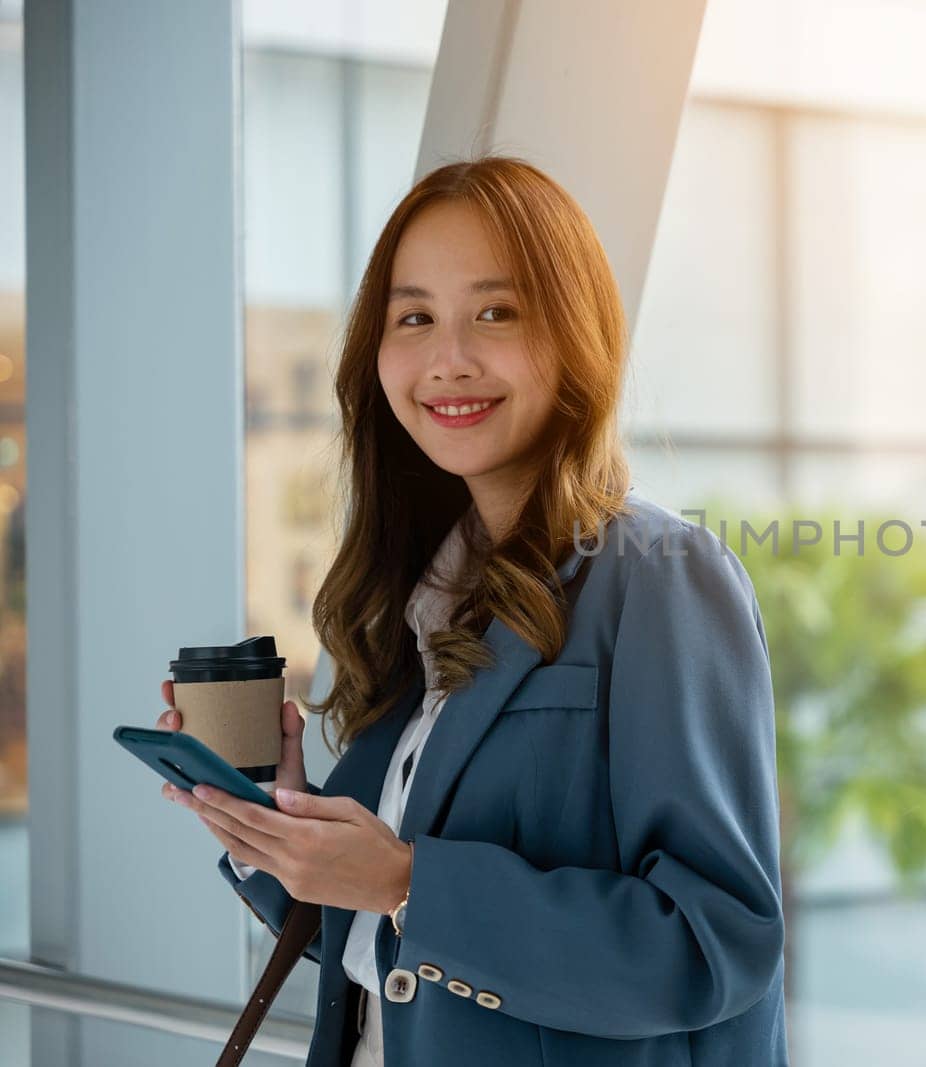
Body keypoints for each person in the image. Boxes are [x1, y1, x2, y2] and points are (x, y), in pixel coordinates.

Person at [153, 156, 788, 1065]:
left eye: (496, 312)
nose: (448, 358)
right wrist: (279, 826)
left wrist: (411, 883)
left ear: (574, 333)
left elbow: (712, 943)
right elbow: (388, 955)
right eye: (414, 317)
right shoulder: (426, 598)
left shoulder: (660, 575)